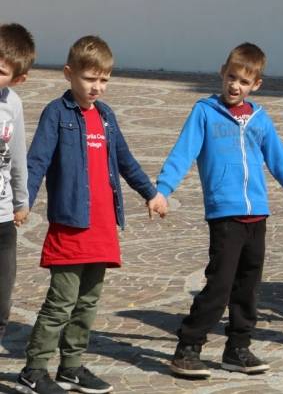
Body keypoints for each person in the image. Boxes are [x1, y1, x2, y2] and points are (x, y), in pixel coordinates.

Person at [157, 43, 283, 378]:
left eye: (244, 81)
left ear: (256, 85)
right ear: (223, 73)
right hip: (225, 215)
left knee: (248, 287)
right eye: (232, 77)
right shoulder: (204, 112)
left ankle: (237, 349)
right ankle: (188, 348)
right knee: (219, 285)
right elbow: (183, 153)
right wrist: (163, 190)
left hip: (257, 215)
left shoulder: (261, 120)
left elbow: (282, 163)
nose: (236, 85)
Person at [20, 36, 168, 394]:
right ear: (69, 74)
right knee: (61, 302)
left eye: (104, 80)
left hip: (102, 227)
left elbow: (126, 161)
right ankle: (34, 369)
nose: (97, 87)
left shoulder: (106, 116)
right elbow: (36, 161)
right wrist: (22, 201)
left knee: (87, 304)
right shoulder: (57, 114)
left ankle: (71, 367)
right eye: (90, 79)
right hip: (71, 226)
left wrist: (151, 193)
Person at [0, 24, 34, 346]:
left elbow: (18, 155)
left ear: (17, 79)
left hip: (3, 214)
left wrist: (21, 200)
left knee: (2, 291)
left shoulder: (13, 105)